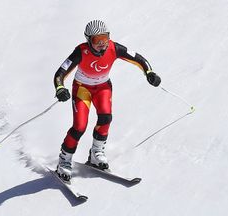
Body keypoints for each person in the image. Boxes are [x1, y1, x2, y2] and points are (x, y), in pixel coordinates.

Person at [53, 19, 162, 181]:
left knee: (105, 118)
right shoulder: (81, 52)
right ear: (88, 40)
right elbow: (60, 73)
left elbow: (139, 59)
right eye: (97, 41)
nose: (102, 44)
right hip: (82, 89)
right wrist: (60, 88)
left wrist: (149, 73)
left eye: (105, 38)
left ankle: (96, 154)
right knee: (79, 127)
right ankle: (64, 161)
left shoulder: (114, 48)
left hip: (103, 87)